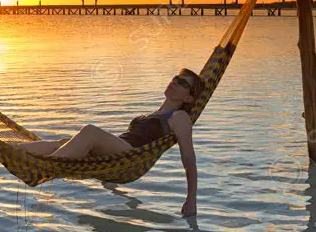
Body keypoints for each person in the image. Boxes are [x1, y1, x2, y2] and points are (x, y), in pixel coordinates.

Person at [15, 69, 204, 216]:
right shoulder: (155, 113)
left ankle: (42, 169)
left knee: (90, 132)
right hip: (118, 150)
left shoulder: (179, 117)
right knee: (66, 142)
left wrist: (191, 200)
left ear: (188, 98)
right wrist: (107, 174)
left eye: (182, 83)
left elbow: (189, 159)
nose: (174, 82)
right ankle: (12, 150)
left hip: (130, 156)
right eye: (175, 77)